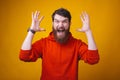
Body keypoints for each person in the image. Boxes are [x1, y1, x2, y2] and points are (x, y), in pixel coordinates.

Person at [19, 8, 99, 80]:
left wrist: (88, 31)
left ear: (69, 24)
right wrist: (32, 31)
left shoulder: (77, 44)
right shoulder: (44, 43)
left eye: (64, 21)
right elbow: (24, 56)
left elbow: (93, 59)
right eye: (57, 21)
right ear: (52, 23)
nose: (60, 25)